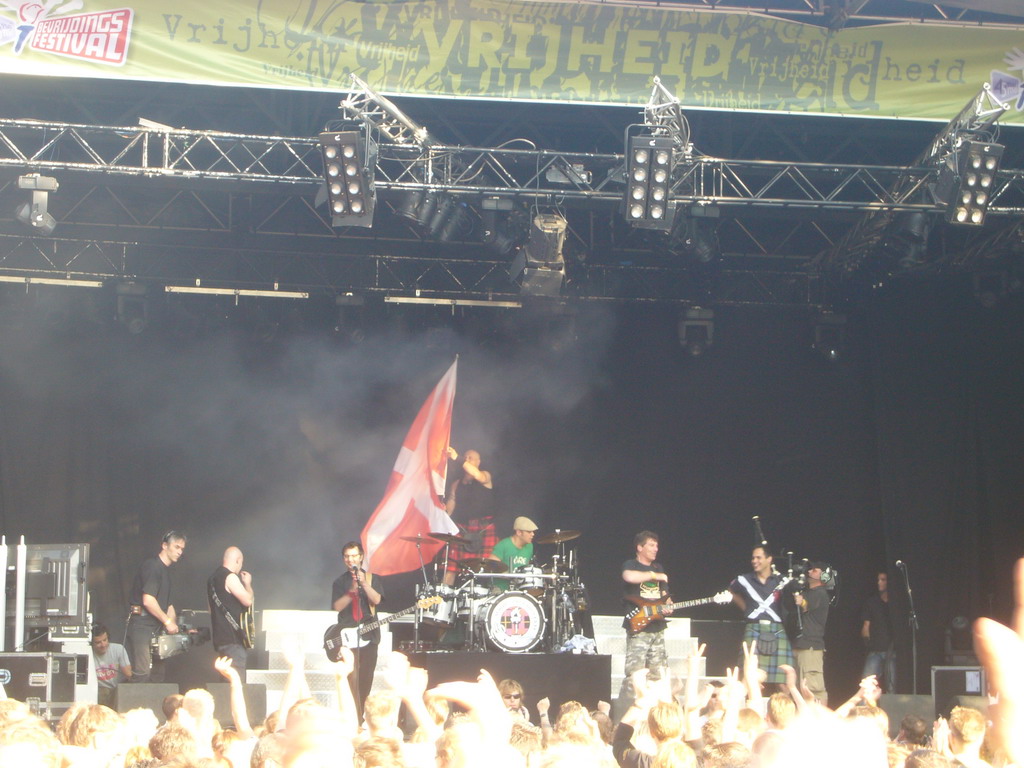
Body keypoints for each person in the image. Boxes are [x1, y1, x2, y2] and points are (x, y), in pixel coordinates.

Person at [331, 540, 384, 715]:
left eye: (354, 555)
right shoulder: (339, 582)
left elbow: (376, 600)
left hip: (369, 635)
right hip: (347, 635)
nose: (350, 559)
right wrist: (351, 591)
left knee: (365, 679)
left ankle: (360, 716)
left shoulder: (371, 578)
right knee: (350, 678)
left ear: (361, 557)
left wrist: (364, 584)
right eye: (347, 556)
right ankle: (349, 715)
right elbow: (337, 606)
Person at [126, 530, 186, 683]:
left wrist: (172, 626)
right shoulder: (152, 566)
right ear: (164, 545)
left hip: (157, 628)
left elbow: (169, 605)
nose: (180, 552)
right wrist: (167, 622)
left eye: (182, 549)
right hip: (142, 625)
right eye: (177, 547)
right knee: (142, 672)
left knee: (158, 675)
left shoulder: (165, 572)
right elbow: (148, 600)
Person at [730, 544, 793, 687]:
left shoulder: (781, 581)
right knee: (748, 676)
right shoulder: (744, 580)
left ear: (769, 559)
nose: (754, 561)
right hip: (753, 627)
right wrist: (745, 608)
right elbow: (731, 591)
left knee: (783, 679)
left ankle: (785, 708)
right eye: (753, 558)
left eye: (758, 557)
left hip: (777, 628)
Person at [621, 531, 672, 702]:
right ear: (640, 547)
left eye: (656, 545)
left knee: (658, 673)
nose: (656, 549)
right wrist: (653, 576)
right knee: (635, 673)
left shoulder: (659, 567)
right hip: (638, 626)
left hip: (657, 626)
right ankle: (629, 711)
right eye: (651, 545)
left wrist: (669, 606)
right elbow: (628, 577)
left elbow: (666, 595)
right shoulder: (631, 564)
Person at [443, 446, 496, 586]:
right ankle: (442, 600)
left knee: (488, 566)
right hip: (462, 528)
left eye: (470, 458)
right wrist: (444, 511)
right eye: (465, 457)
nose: (467, 459)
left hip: (484, 528)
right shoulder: (456, 484)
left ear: (478, 462)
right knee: (451, 567)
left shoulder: (485, 476)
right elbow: (451, 502)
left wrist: (457, 458)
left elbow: (477, 475)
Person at [207, 545, 254, 679]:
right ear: (238, 560)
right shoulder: (230, 577)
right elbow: (248, 601)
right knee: (236, 681)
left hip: (220, 639)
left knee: (225, 682)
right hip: (234, 639)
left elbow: (210, 609)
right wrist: (247, 584)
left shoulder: (211, 579)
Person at [791, 561, 830, 705]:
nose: (809, 572)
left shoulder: (820, 593)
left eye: (815, 570)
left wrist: (800, 601)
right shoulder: (807, 592)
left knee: (814, 689)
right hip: (799, 645)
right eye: (810, 569)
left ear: (824, 575)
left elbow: (806, 605)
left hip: (811, 648)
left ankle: (821, 723)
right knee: (796, 689)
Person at [862, 570, 897, 692]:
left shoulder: (897, 603)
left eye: (883, 580)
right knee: (866, 686)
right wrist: (868, 642)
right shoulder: (872, 602)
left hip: (892, 651)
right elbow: (866, 625)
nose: (879, 583)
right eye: (878, 580)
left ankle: (891, 711)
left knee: (892, 688)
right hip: (875, 650)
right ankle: (863, 710)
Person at [489, 516, 538, 591]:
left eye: (533, 532)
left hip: (519, 589)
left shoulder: (529, 546)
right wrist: (509, 575)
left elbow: (526, 566)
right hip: (500, 588)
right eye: (529, 532)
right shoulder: (503, 545)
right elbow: (490, 566)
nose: (533, 534)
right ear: (518, 532)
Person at [91, 622, 131, 708]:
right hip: (100, 690)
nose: (103, 645)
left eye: (105, 640)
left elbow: (129, 674)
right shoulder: (89, 653)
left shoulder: (118, 649)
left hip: (118, 688)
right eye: (98, 642)